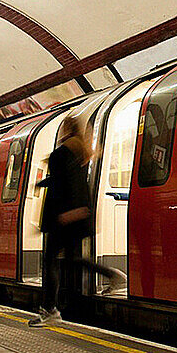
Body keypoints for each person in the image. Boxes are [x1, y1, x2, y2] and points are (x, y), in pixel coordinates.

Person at [29, 117, 125, 327]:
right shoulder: (79, 151)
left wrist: (68, 211)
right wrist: (42, 183)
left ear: (67, 128)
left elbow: (67, 182)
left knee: (51, 260)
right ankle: (112, 274)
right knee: (73, 258)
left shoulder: (63, 152)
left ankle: (49, 310)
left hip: (64, 216)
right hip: (75, 216)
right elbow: (67, 178)